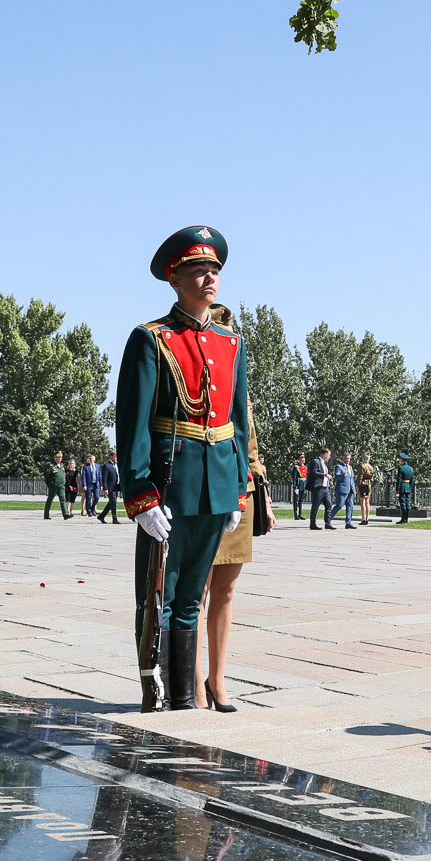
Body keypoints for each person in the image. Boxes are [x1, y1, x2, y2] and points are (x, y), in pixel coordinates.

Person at [116, 224, 251, 712]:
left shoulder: (230, 343)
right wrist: (140, 495)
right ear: (174, 279)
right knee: (162, 595)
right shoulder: (151, 339)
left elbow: (236, 420)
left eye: (213, 269)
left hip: (216, 482)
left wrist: (238, 486)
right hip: (171, 481)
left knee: (193, 592)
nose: (209, 277)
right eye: (198, 270)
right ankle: (169, 694)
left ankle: (188, 698)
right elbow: (131, 423)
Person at [195, 304, 272, 712]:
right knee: (198, 592)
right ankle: (190, 679)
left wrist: (265, 497)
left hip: (239, 493)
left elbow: (250, 441)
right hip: (200, 491)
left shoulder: (239, 387)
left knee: (225, 590)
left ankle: (217, 680)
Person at [307, 448, 334, 530]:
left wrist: (329, 482)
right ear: (325, 454)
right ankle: (312, 524)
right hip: (318, 488)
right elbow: (313, 473)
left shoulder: (325, 464)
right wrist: (325, 475)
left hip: (326, 488)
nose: (329, 457)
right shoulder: (316, 462)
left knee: (329, 505)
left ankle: (328, 523)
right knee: (315, 506)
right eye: (329, 455)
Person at [330, 452, 357, 529]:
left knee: (350, 506)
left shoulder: (350, 467)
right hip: (342, 490)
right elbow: (337, 476)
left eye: (349, 459)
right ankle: (328, 519)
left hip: (350, 491)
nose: (348, 460)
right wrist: (343, 474)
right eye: (347, 458)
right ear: (343, 458)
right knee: (339, 505)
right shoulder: (339, 466)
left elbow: (352, 479)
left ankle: (348, 522)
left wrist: (354, 490)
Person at [44, 452, 71, 520]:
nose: (59, 459)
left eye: (60, 458)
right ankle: (46, 514)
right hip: (53, 486)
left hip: (61, 486)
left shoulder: (61, 466)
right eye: (58, 457)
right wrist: (50, 484)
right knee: (50, 500)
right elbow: (47, 476)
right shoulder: (51, 466)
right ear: (55, 458)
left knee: (63, 500)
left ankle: (65, 514)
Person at [98, 450, 122, 524]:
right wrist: (105, 488)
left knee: (111, 502)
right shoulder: (106, 465)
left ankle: (101, 516)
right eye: (115, 456)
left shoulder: (116, 465)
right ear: (111, 456)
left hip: (116, 486)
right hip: (110, 487)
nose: (116, 458)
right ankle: (114, 518)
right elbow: (104, 478)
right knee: (113, 501)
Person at [395, 452, 414, 523]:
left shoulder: (401, 468)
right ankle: (406, 518)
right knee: (407, 503)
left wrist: (397, 490)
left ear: (403, 460)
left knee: (403, 503)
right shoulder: (411, 468)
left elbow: (399, 480)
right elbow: (412, 480)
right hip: (408, 487)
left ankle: (403, 519)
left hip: (402, 486)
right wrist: (410, 487)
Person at [357, 453, 375, 525]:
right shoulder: (371, 467)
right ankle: (368, 517)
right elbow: (372, 477)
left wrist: (358, 484)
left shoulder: (362, 466)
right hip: (369, 484)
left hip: (363, 484)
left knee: (362, 502)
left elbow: (360, 476)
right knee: (368, 502)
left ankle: (363, 518)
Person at [291, 453, 307, 521]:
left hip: (303, 485)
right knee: (296, 500)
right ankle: (296, 514)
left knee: (300, 500)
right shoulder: (296, 467)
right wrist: (295, 486)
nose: (303, 459)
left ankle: (300, 514)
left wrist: (306, 486)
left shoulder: (305, 467)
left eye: (304, 458)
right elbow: (294, 477)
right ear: (299, 459)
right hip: (298, 484)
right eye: (301, 458)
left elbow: (306, 477)